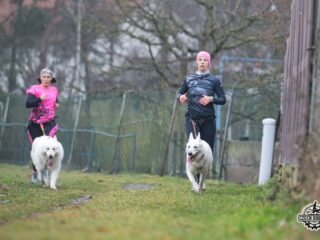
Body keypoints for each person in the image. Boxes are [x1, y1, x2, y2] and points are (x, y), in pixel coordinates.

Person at [177, 51, 226, 153]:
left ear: (209, 63)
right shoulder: (188, 79)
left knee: (207, 152)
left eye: (205, 60)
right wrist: (181, 97)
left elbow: (223, 99)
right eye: (200, 60)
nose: (202, 62)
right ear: (197, 62)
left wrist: (211, 99)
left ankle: (206, 169)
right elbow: (178, 94)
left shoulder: (215, 80)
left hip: (208, 121)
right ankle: (191, 169)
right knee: (194, 148)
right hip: (192, 119)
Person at [25, 68, 60, 183]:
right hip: (35, 124)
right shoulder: (34, 89)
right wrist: (39, 99)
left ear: (51, 79)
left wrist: (56, 104)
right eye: (44, 77)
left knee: (50, 145)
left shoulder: (54, 90)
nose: (46, 79)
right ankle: (36, 172)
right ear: (40, 78)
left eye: (48, 77)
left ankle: (46, 171)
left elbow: (55, 100)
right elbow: (28, 104)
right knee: (38, 149)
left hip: (50, 123)